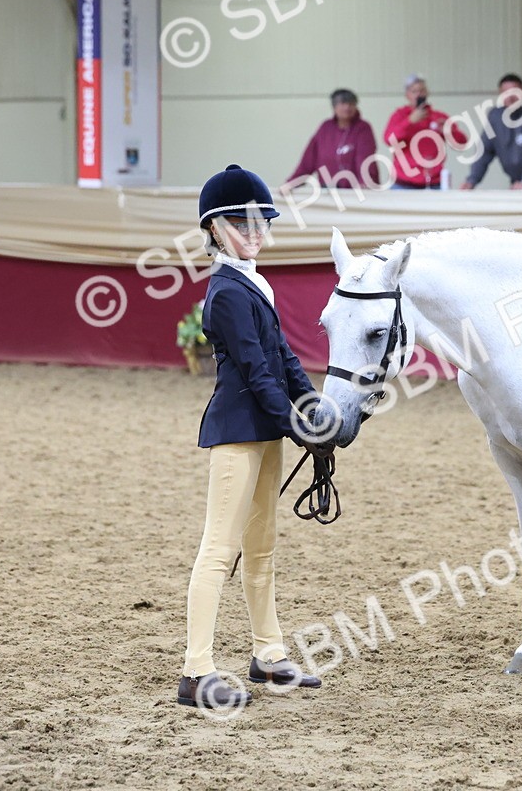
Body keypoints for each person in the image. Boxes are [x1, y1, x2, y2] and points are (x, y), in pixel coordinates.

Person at [179, 164, 329, 710]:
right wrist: (296, 424)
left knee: (262, 547)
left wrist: (313, 407)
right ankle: (196, 670)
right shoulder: (225, 292)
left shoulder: (253, 283)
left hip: (266, 431)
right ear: (215, 230)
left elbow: (283, 357)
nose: (255, 233)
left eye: (260, 222)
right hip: (238, 432)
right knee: (219, 551)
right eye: (242, 224)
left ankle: (268, 654)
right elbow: (254, 369)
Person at [383, 74, 468, 189]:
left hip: (434, 183)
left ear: (427, 93)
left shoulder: (438, 117)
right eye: (414, 91)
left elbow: (461, 144)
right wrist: (409, 121)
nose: (418, 94)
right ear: (407, 95)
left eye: (422, 90)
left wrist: (449, 131)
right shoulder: (400, 116)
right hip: (403, 183)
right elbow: (388, 139)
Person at [285, 88, 379, 190]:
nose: (347, 107)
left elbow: (365, 160)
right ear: (334, 106)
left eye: (351, 103)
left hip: (355, 192)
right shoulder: (325, 128)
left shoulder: (363, 128)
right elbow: (308, 162)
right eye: (342, 103)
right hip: (328, 191)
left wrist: (364, 184)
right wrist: (291, 184)